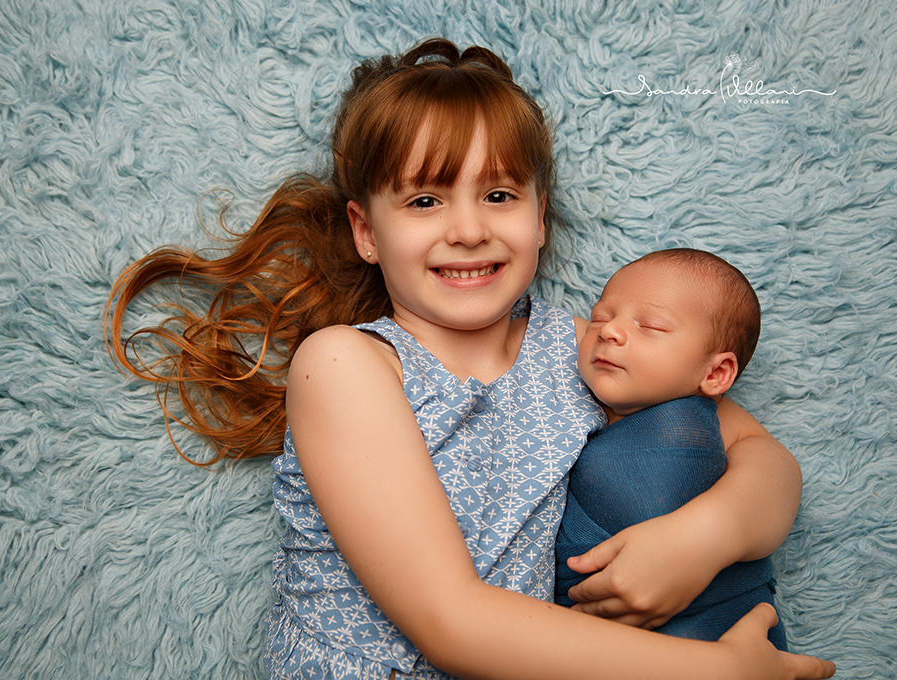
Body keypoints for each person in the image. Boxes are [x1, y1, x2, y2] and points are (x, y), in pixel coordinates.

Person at [105, 39, 834, 680]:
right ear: (366, 230)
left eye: (498, 194)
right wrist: (716, 672)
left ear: (540, 216)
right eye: (425, 200)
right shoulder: (346, 365)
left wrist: (700, 538)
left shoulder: (583, 349)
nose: (467, 229)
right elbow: (451, 623)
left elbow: (762, 457)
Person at [555, 248, 788, 650]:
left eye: (652, 326)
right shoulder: (560, 364)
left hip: (724, 631)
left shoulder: (699, 419)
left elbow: (775, 464)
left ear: (715, 373)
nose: (609, 331)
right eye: (600, 317)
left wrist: (701, 537)